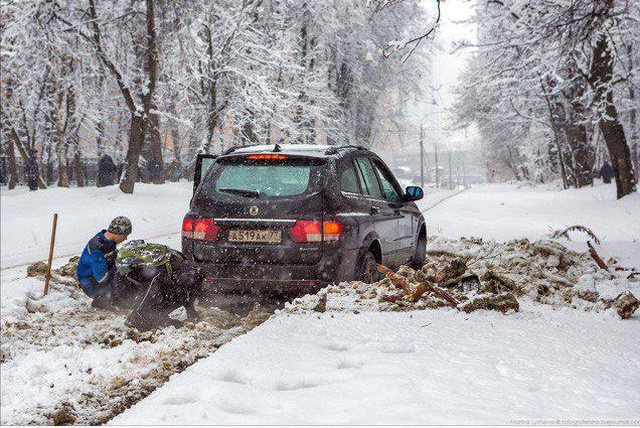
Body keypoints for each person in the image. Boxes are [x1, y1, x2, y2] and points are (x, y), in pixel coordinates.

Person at [114, 241, 203, 331]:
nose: (193, 292)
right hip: (125, 280)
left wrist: (190, 310)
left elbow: (188, 293)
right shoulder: (161, 273)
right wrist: (137, 315)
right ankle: (137, 319)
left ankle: (156, 316)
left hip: (144, 270)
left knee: (178, 295)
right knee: (154, 293)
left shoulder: (183, 264)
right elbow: (148, 296)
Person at [76, 216, 132, 309]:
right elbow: (102, 277)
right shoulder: (98, 249)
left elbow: (113, 256)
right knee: (123, 295)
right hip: (91, 284)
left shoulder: (107, 240)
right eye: (125, 235)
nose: (125, 238)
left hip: (100, 277)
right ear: (118, 233)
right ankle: (101, 299)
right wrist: (121, 269)